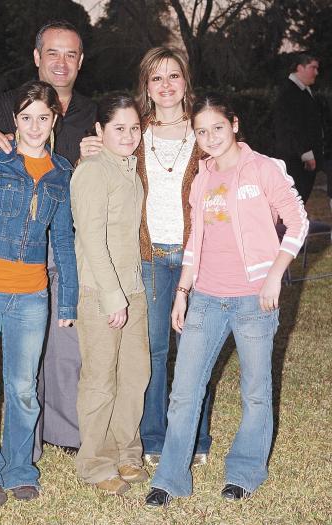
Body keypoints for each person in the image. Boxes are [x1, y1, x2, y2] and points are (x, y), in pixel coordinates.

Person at [145, 93, 309, 507]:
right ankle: (170, 479)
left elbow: (298, 221)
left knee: (255, 390)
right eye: (201, 131)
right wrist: (182, 292)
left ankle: (244, 472)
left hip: (255, 299)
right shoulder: (202, 177)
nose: (210, 137)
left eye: (217, 127)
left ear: (234, 124)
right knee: (185, 390)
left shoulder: (265, 169)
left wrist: (274, 277)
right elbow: (195, 242)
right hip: (205, 297)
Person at [0, 19, 97, 461]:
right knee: (17, 359)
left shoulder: (90, 113)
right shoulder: (7, 104)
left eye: (70, 54)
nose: (61, 62)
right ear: (37, 57)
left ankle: (64, 432)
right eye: (52, 53)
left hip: (66, 239)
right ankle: (26, 447)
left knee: (63, 347)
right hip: (6, 249)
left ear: (81, 61)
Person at [81, 46, 212, 467]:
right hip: (151, 259)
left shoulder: (206, 134)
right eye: (156, 78)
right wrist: (93, 147)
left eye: (174, 76)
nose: (166, 85)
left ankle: (196, 436)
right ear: (146, 86)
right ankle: (153, 437)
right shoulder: (135, 135)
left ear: (185, 81)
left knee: (195, 349)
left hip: (196, 258)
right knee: (153, 353)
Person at [0, 80, 78, 509]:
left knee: (24, 390)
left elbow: (62, 240)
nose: (35, 126)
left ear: (54, 118)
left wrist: (67, 300)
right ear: (14, 120)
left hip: (31, 298)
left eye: (43, 117)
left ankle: (20, 469)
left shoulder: (62, 172)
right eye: (27, 117)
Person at [71, 93, 150, 496]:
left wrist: (128, 292)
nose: (129, 135)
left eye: (135, 127)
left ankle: (126, 452)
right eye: (119, 128)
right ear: (99, 131)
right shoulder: (93, 171)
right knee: (100, 380)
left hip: (133, 288)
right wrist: (111, 295)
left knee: (135, 375)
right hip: (101, 291)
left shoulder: (129, 169)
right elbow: (91, 239)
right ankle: (95, 462)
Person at [274, 52, 324, 204]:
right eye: (312, 67)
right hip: (296, 161)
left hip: (301, 159)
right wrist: (307, 155)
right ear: (299, 68)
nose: (316, 72)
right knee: (295, 202)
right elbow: (292, 128)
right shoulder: (290, 93)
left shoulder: (302, 91)